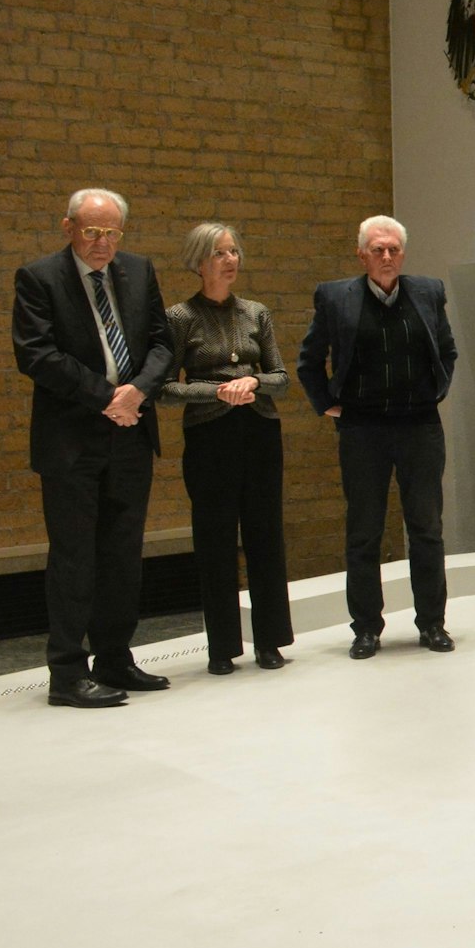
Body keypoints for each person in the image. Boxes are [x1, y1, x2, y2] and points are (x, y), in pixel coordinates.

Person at [11, 188, 175, 708]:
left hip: (130, 433)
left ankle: (115, 658)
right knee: (75, 557)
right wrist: (108, 397)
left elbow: (163, 343)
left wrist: (138, 391)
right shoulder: (40, 278)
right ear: (69, 228)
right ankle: (66, 673)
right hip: (72, 441)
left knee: (123, 553)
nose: (103, 243)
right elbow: (36, 355)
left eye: (112, 233)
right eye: (92, 232)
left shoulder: (138, 270)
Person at [298, 216, 459, 659]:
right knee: (364, 531)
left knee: (426, 528)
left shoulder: (427, 291)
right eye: (377, 249)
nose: (386, 257)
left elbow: (446, 350)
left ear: (402, 254)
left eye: (393, 249)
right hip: (362, 429)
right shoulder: (335, 297)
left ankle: (432, 624)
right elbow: (309, 360)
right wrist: (326, 403)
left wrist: (436, 391)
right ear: (362, 255)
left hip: (419, 427)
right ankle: (366, 629)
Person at [163, 223, 295, 674]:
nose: (230, 260)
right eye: (220, 253)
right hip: (209, 436)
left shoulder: (256, 312)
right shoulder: (180, 317)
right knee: (215, 538)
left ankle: (271, 640)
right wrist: (214, 392)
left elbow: (281, 378)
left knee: (265, 534)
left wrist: (254, 381)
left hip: (259, 430)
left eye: (234, 251)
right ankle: (222, 647)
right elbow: (164, 388)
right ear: (199, 262)